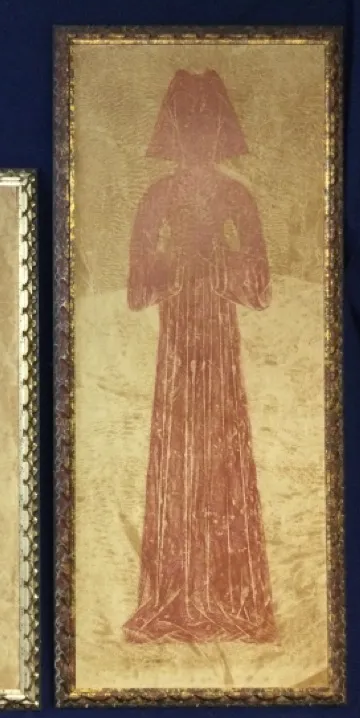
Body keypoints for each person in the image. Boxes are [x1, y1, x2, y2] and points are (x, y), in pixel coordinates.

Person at [123, 70, 276, 643]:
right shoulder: (157, 197)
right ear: (174, 131)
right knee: (179, 452)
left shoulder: (237, 197)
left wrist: (219, 264)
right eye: (188, 125)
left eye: (206, 125)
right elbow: (138, 290)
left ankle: (231, 599)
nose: (197, 137)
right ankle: (175, 599)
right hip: (179, 343)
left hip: (218, 337)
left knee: (221, 452)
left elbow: (259, 289)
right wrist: (176, 264)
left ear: (219, 132)